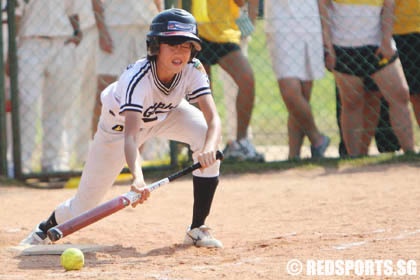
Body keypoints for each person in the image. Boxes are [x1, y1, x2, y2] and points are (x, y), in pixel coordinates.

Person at [20, 8, 224, 249]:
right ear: (156, 46)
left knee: (204, 134)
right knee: (84, 205)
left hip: (166, 113)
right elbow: (130, 136)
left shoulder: (193, 68)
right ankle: (43, 231)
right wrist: (137, 178)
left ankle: (197, 228)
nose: (179, 52)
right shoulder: (137, 79)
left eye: (186, 46)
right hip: (117, 130)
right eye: (172, 45)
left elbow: (214, 120)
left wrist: (208, 149)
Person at [319, 0, 415, 157]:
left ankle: (410, 153)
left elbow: (389, 5)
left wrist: (386, 40)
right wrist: (327, 44)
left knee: (400, 94)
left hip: (377, 45)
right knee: (351, 102)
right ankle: (354, 157)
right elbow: (322, 5)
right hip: (343, 45)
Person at [9, 0, 82, 173]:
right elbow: (16, 15)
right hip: (30, 41)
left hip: (62, 41)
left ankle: (53, 161)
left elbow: (73, 10)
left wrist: (77, 33)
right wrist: (12, 49)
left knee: (57, 106)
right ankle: (21, 162)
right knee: (26, 104)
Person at [192, 0, 264, 162]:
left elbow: (240, 3)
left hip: (224, 32)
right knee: (200, 91)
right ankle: (202, 145)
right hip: (195, 32)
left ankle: (241, 142)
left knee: (247, 80)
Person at [264, 0, 330, 159]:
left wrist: (325, 34)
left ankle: (293, 156)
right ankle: (317, 139)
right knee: (290, 93)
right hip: (280, 26)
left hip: (310, 24)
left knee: (303, 95)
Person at [218, 0, 258, 145]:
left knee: (235, 85)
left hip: (232, 26)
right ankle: (197, 143)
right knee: (197, 84)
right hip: (204, 23)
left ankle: (238, 139)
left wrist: (251, 19)